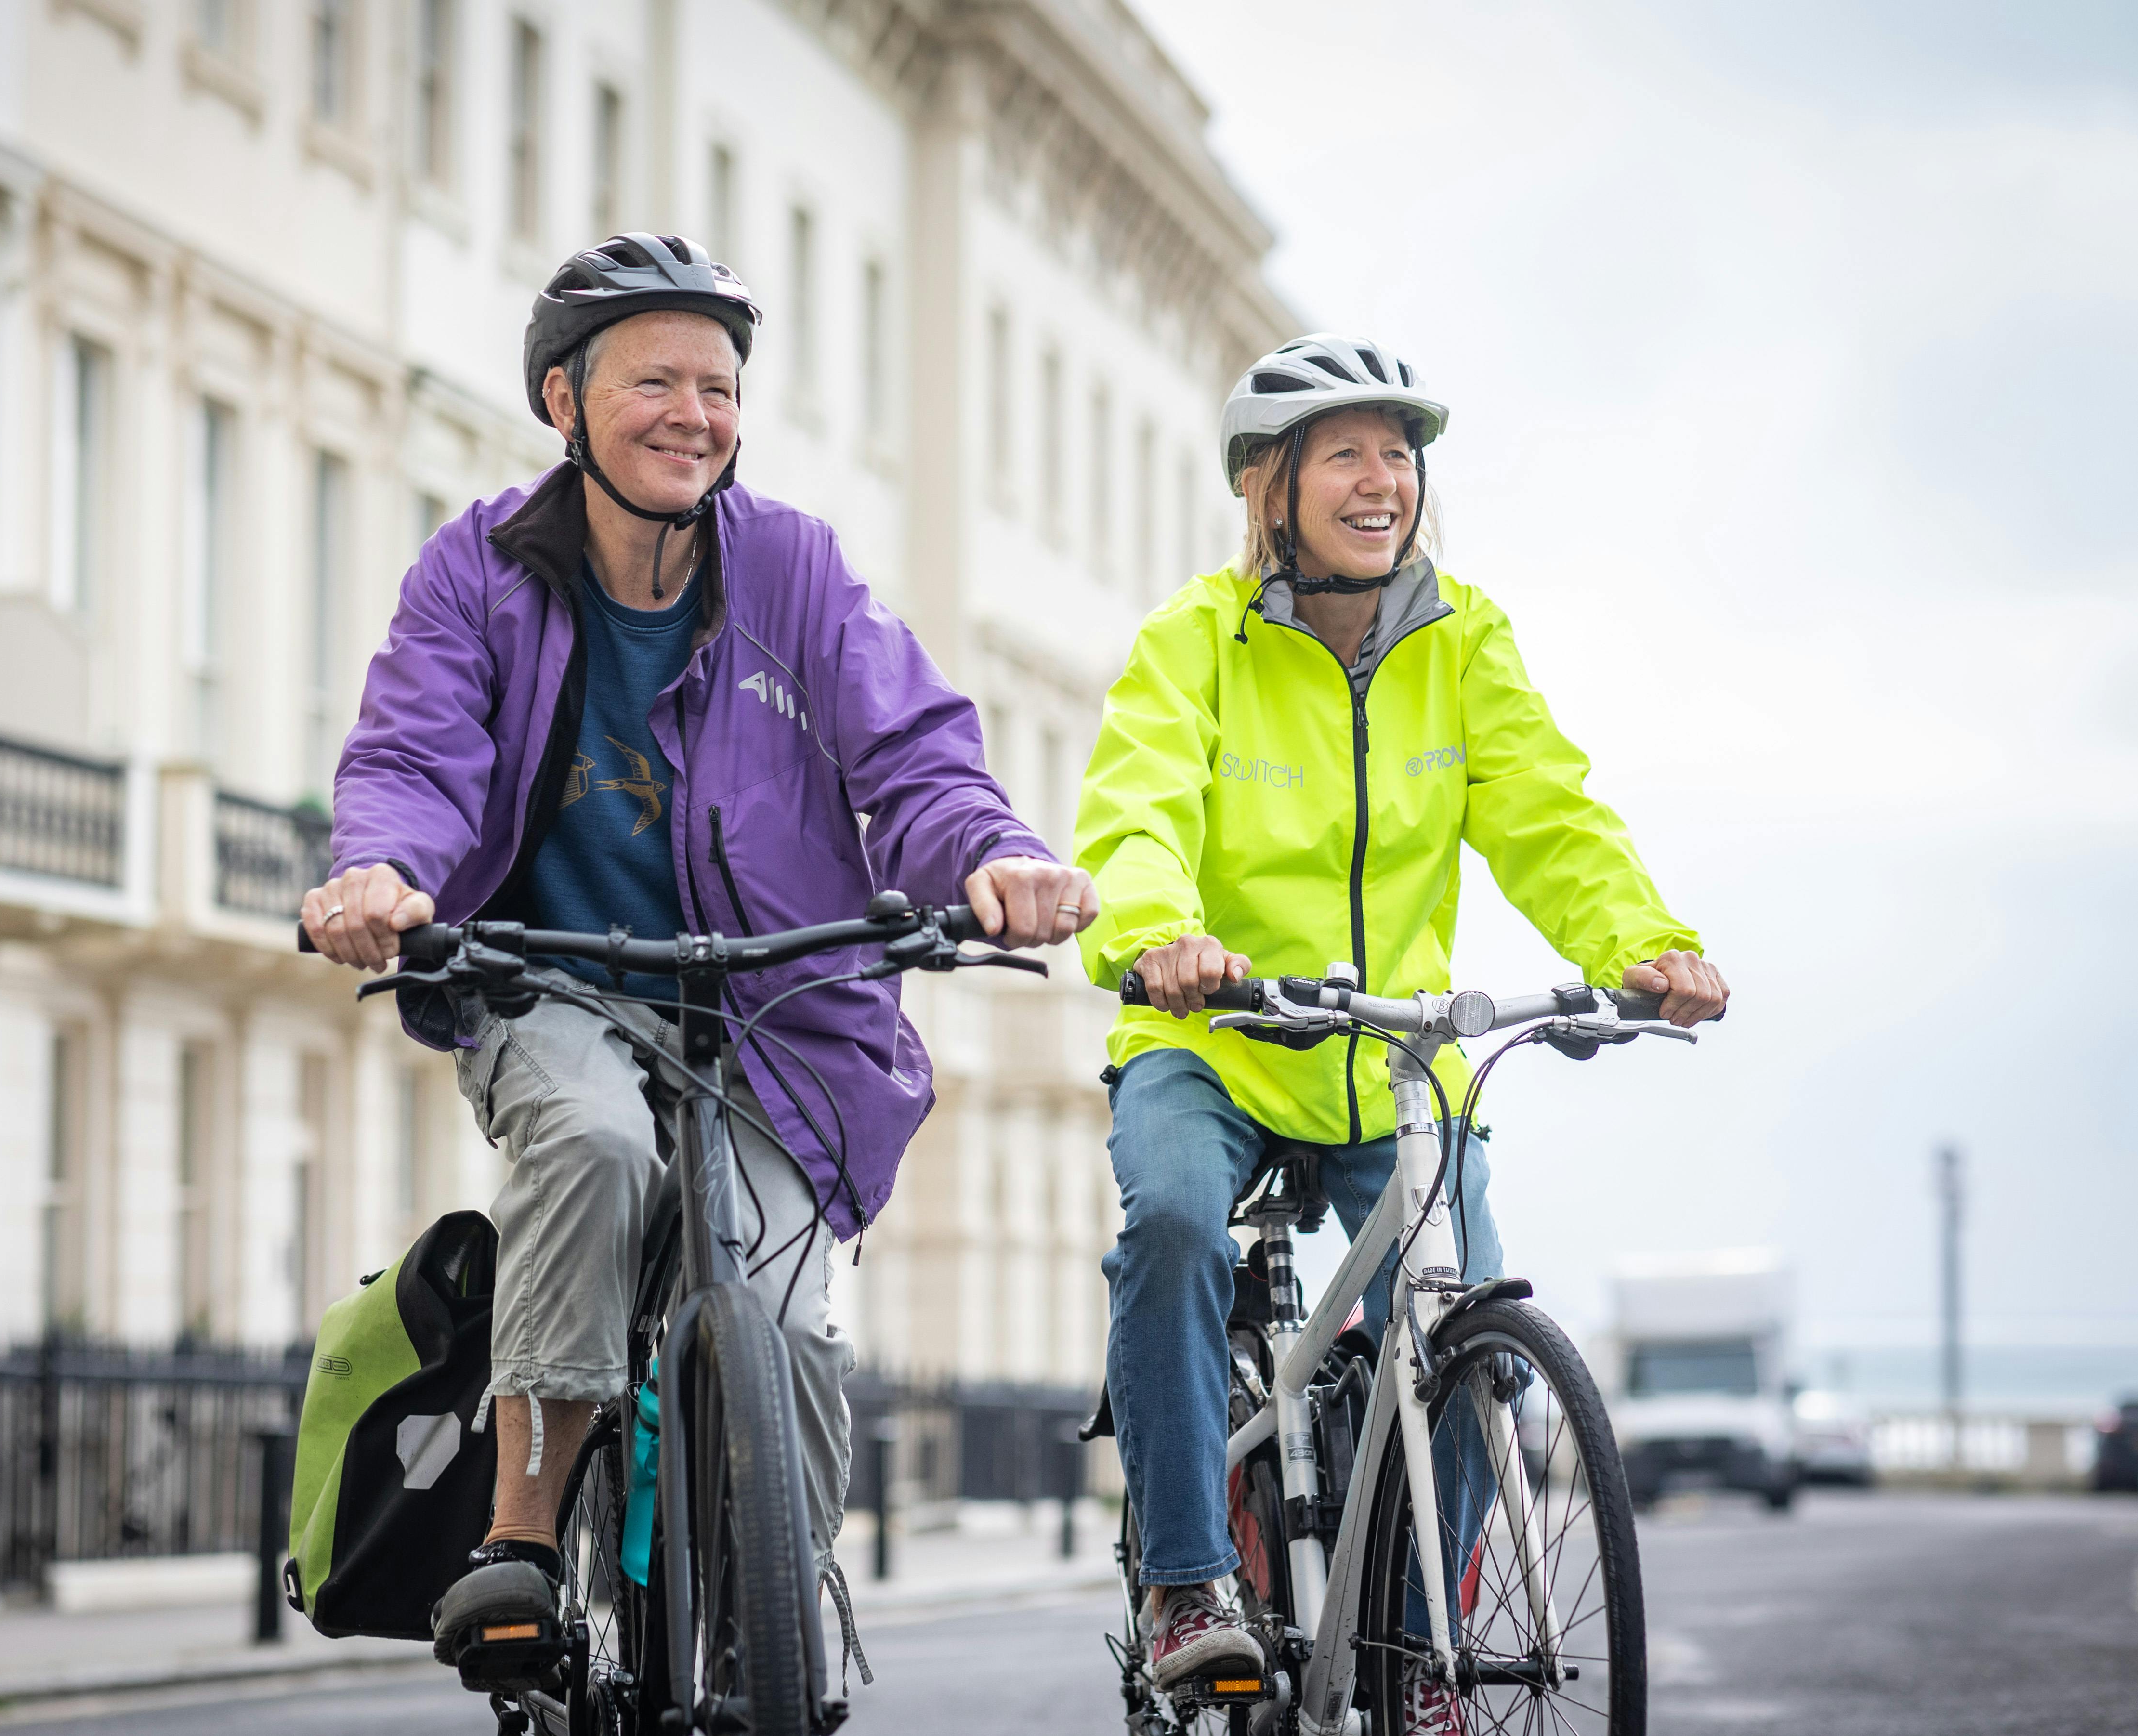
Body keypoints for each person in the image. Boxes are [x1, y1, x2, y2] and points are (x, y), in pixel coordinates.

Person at [302, 233, 1097, 1679]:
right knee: (597, 1147)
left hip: (774, 1009)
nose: (693, 413)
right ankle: (525, 1539)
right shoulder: (477, 570)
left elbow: (910, 748)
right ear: (562, 400)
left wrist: (986, 853)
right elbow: (414, 752)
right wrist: (384, 874)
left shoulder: (789, 567)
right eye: (652, 380)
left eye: (718, 386)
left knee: (783, 1314)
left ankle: (774, 1624)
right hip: (549, 978)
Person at [1071, 335, 1727, 1733]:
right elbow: (1134, 806)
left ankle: (1419, 1652)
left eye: (1398, 455)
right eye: (1347, 455)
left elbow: (1544, 809)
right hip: (1218, 1031)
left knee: (1472, 1300)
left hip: (1389, 1053)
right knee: (1177, 1225)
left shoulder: (1462, 637)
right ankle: (1185, 1580)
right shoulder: (1195, 638)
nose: (1382, 482)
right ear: (1271, 486)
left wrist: (1640, 946)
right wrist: (1157, 939)